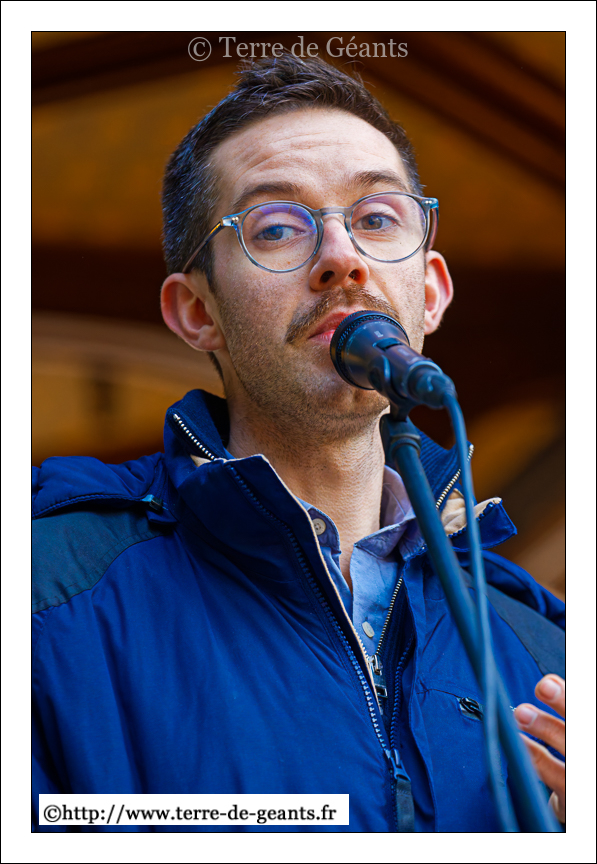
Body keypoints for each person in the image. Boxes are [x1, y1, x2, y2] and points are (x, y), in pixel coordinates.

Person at [32, 54, 564, 832]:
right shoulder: (44, 590)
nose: (342, 258)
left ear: (429, 292)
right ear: (197, 313)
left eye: (376, 218)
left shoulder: (545, 648)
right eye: (277, 228)